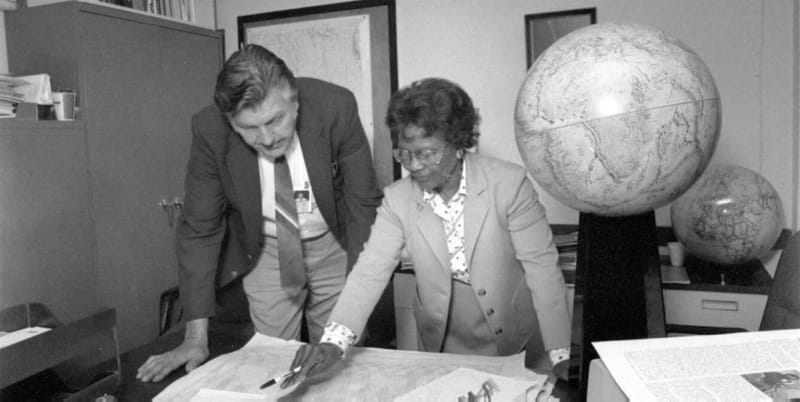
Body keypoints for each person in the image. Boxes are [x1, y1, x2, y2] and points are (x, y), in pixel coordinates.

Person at [282, 77, 572, 388]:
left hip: (516, 335)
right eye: (404, 153)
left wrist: (561, 352)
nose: (415, 166)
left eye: (427, 152)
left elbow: (542, 269)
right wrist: (332, 342)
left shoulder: (509, 185)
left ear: (458, 143)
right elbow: (369, 272)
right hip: (442, 340)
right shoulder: (397, 199)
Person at [136, 44, 383, 382]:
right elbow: (199, 229)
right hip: (265, 249)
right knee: (272, 364)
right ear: (229, 121)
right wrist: (195, 339)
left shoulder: (335, 106)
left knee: (339, 361)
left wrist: (359, 296)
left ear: (294, 101)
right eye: (249, 128)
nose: (266, 138)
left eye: (275, 120)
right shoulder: (209, 130)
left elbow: (363, 203)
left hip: (334, 245)